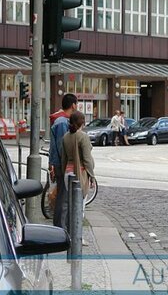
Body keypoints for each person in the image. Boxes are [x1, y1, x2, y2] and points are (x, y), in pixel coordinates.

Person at [61, 110, 96, 243]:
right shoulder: (83, 136)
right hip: (80, 172)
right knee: (79, 207)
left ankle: (70, 235)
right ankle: (77, 238)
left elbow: (63, 158)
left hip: (67, 173)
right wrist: (91, 176)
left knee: (70, 204)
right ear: (83, 122)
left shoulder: (65, 137)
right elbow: (87, 159)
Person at [48, 93, 78, 229]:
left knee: (63, 195)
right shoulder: (62, 122)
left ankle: (61, 226)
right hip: (62, 164)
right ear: (73, 105)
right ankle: (61, 227)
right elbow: (62, 146)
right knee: (63, 198)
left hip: (60, 163)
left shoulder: (62, 120)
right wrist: (68, 164)